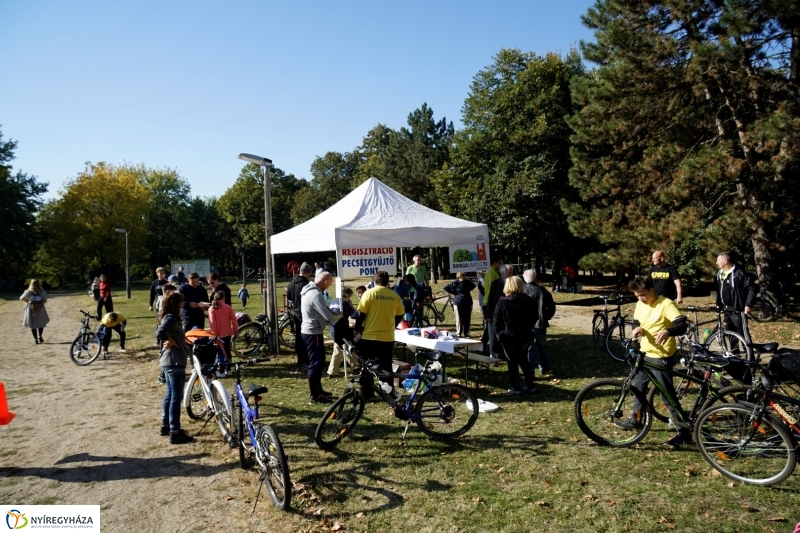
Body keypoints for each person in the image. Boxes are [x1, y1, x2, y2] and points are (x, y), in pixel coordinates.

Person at [622, 276, 691, 448]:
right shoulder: (640, 303)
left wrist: (668, 331)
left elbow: (682, 325)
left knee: (667, 395)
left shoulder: (666, 304)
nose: (640, 299)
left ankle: (683, 432)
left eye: (643, 295)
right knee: (638, 388)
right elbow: (637, 320)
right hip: (644, 353)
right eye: (637, 296)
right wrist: (635, 328)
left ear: (652, 290)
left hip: (661, 356)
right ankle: (637, 420)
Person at [353, 271, 405, 400]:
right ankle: (387, 393)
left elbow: (361, 314)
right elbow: (400, 314)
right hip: (387, 337)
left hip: (369, 336)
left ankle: (367, 393)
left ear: (374, 281)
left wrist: (357, 329)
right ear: (387, 281)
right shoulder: (394, 296)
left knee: (366, 367)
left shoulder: (369, 293)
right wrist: (392, 325)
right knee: (386, 367)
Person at [156, 291, 194, 444]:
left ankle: (166, 425)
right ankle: (175, 431)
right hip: (174, 362)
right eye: (180, 302)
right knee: (176, 397)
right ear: (174, 304)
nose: (182, 305)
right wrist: (170, 340)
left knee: (170, 395)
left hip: (169, 361)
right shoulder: (171, 317)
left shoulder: (168, 317)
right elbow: (160, 332)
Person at [300, 272, 342, 403]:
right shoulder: (316, 294)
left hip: (311, 330)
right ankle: (315, 395)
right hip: (313, 332)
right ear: (325, 282)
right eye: (329, 284)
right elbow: (329, 315)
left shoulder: (309, 290)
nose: (328, 287)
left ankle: (318, 389)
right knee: (316, 363)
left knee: (320, 361)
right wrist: (340, 314)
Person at [493, 276, 537, 395]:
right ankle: (531, 385)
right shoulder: (529, 300)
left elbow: (496, 320)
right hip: (525, 335)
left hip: (509, 336)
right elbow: (535, 316)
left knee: (512, 361)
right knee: (523, 360)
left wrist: (499, 334)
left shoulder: (503, 301)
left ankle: (516, 387)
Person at [714, 251, 756, 352]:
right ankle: (735, 360)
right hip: (726, 310)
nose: (716, 263)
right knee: (731, 336)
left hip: (738, 309)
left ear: (725, 261)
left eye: (718, 260)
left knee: (743, 336)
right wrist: (718, 305)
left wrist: (748, 304)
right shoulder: (719, 273)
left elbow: (752, 288)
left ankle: (750, 360)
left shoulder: (738, 273)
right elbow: (719, 291)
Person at [523, 269, 551, 376]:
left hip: (527, 324)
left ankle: (530, 369)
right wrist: (546, 317)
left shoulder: (522, 290)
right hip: (540, 323)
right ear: (535, 278)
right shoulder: (542, 290)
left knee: (528, 347)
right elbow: (551, 306)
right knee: (541, 346)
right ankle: (543, 366)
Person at [287, 262, 314, 371]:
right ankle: (307, 361)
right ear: (307, 273)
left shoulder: (291, 283)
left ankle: (300, 360)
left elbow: (289, 297)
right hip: (305, 314)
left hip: (296, 313)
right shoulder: (306, 284)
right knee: (306, 338)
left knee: (299, 337)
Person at [327, 287, 357, 378]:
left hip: (334, 329)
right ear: (346, 296)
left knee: (347, 346)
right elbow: (354, 315)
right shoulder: (343, 303)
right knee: (339, 350)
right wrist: (351, 306)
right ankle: (332, 372)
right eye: (349, 297)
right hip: (341, 330)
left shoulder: (334, 302)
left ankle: (355, 365)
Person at [487, 264, 515, 357]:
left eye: (512, 272)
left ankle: (508, 353)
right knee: (494, 336)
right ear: (502, 273)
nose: (511, 274)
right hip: (496, 314)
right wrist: (488, 316)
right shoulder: (495, 283)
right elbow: (490, 300)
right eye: (509, 273)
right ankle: (494, 354)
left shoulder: (515, 284)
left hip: (509, 315)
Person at [209, 290, 239, 378]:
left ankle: (221, 370)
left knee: (220, 352)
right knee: (227, 351)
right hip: (227, 333)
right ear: (223, 298)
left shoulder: (212, 309)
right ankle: (228, 369)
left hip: (218, 334)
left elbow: (212, 323)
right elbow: (234, 320)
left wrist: (215, 334)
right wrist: (235, 330)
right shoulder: (228, 307)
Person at [443, 272, 477, 337]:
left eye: (465, 275)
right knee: (458, 318)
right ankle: (458, 332)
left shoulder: (468, 282)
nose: (465, 276)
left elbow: (473, 286)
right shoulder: (455, 283)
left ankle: (466, 332)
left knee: (467, 318)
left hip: (467, 301)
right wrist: (454, 293)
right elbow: (446, 287)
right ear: (460, 276)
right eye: (463, 275)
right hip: (458, 302)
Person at [482, 256, 502, 355]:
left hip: (492, 302)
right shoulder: (490, 272)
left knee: (490, 328)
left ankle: (482, 345)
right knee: (491, 328)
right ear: (494, 263)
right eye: (499, 262)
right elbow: (490, 289)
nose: (500, 265)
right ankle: (491, 351)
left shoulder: (495, 272)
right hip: (489, 302)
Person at [21, 278, 49, 344]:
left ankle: (35, 339)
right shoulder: (42, 291)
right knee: (40, 323)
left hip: (31, 309)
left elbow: (21, 298)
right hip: (40, 309)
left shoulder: (28, 292)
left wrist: (27, 301)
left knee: (33, 324)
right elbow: (45, 300)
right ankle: (40, 336)